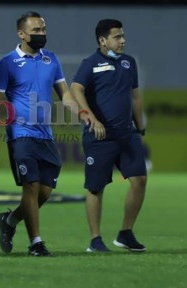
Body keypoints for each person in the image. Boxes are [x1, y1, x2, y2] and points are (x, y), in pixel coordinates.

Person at [0, 11, 78, 257]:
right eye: (36, 30)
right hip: (20, 133)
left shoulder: (52, 60)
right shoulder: (7, 63)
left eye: (43, 29)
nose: (41, 34)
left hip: (45, 135)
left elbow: (64, 94)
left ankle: (10, 221)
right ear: (21, 33)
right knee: (31, 187)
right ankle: (36, 243)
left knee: (45, 192)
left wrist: (84, 113)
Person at [71, 19, 147, 253]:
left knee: (139, 181)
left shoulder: (128, 62)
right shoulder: (90, 64)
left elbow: (134, 96)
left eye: (123, 36)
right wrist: (91, 118)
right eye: (117, 37)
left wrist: (139, 124)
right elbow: (75, 89)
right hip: (99, 136)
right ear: (103, 40)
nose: (122, 40)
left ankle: (125, 233)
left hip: (127, 134)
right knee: (96, 187)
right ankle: (95, 240)